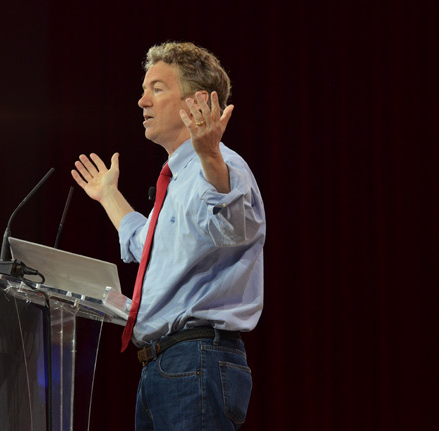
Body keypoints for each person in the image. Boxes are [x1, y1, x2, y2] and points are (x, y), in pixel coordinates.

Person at [71, 41, 265, 430]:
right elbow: (145, 245)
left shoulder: (224, 168)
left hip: (196, 361)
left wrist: (211, 156)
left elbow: (234, 227)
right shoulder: (178, 182)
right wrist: (109, 195)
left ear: (198, 103)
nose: (142, 101)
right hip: (166, 366)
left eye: (156, 89)